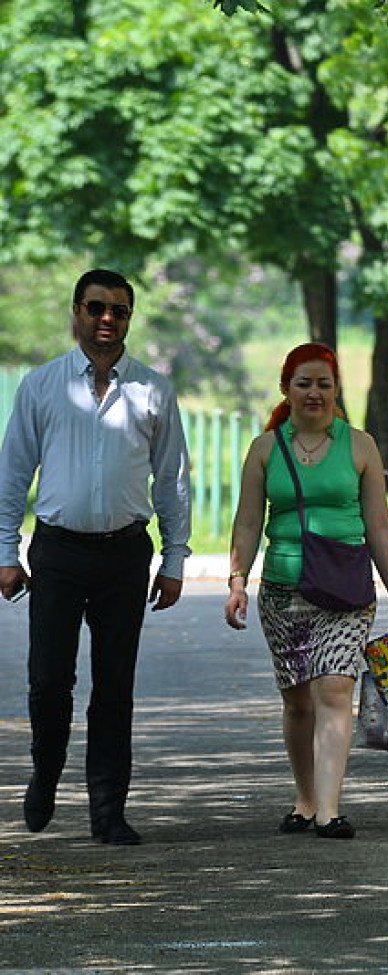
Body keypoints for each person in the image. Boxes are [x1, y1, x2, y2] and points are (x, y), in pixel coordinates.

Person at [0, 269, 192, 845]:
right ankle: (46, 774)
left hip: (124, 555)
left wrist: (175, 559)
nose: (107, 319)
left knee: (115, 688)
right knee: (49, 682)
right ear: (76, 313)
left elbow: (173, 479)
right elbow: (12, 474)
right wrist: (5, 551)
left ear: (130, 318)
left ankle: (109, 811)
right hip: (57, 552)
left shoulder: (152, 390)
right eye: (96, 308)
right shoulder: (41, 386)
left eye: (119, 310)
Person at [223, 343, 388, 839]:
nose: (314, 393)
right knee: (298, 702)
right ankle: (306, 797)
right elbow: (248, 522)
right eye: (304, 383)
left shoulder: (360, 446)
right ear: (286, 389)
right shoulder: (266, 449)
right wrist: (237, 581)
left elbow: (378, 525)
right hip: (283, 589)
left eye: (324, 384)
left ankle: (330, 809)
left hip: (346, 588)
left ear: (336, 389)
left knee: (335, 687)